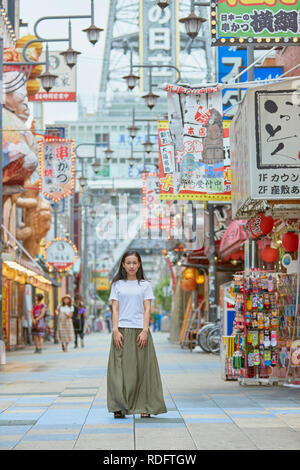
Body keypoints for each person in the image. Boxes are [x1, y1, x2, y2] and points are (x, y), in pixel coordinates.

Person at [107, 250, 167, 419]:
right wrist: (115, 330)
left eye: (134, 262)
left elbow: (148, 308)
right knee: (118, 370)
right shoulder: (117, 285)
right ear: (123, 265)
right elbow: (115, 308)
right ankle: (118, 406)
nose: (131, 266)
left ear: (139, 264)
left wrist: (145, 330)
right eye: (128, 263)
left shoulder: (145, 285)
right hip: (122, 332)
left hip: (140, 331)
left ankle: (145, 406)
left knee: (143, 370)